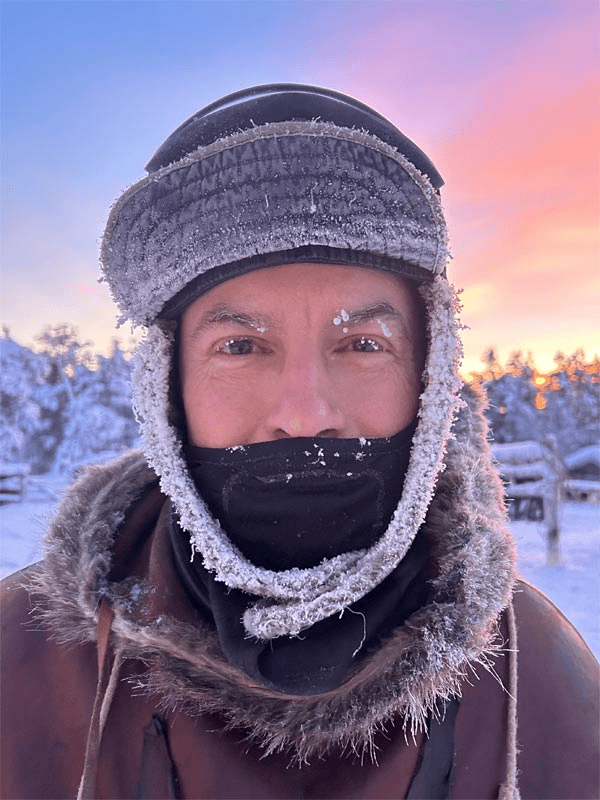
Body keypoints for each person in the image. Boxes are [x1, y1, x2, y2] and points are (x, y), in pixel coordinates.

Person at [1, 84, 598, 800]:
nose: (305, 414)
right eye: (241, 346)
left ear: (428, 379)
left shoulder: (538, 675)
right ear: (169, 392)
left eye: (363, 344)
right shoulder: (23, 657)